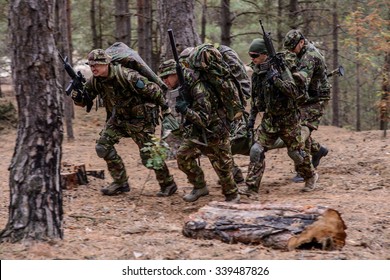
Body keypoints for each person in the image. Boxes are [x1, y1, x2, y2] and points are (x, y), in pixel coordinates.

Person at [71, 49, 177, 196]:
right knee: (102, 146)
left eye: (97, 64)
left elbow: (155, 91)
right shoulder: (96, 80)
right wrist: (76, 96)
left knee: (149, 155)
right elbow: (84, 102)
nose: (93, 68)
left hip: (140, 120)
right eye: (91, 65)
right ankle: (120, 182)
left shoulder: (127, 75)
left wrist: (165, 110)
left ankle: (168, 184)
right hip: (119, 119)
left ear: (107, 63)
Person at [158, 58, 240, 203]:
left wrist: (186, 110)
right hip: (197, 131)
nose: (165, 81)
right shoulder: (184, 86)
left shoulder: (198, 87)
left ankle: (232, 194)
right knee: (183, 156)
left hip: (216, 130)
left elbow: (204, 119)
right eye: (162, 78)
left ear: (175, 74)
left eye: (166, 76)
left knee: (222, 166)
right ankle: (199, 186)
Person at [243, 38, 318, 194]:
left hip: (289, 119)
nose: (253, 59)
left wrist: (276, 79)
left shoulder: (282, 66)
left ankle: (310, 176)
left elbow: (294, 92)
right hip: (270, 120)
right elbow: (256, 98)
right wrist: (251, 120)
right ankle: (251, 187)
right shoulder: (257, 72)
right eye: (251, 56)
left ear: (265, 54)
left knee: (296, 153)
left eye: (255, 55)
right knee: (256, 150)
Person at [284, 29, 331, 183]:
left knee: (300, 130)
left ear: (301, 42)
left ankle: (303, 171)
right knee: (300, 128)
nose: (291, 51)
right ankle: (318, 151)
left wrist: (289, 69)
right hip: (308, 97)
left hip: (316, 99)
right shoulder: (302, 52)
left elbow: (302, 78)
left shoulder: (309, 55)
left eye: (293, 48)